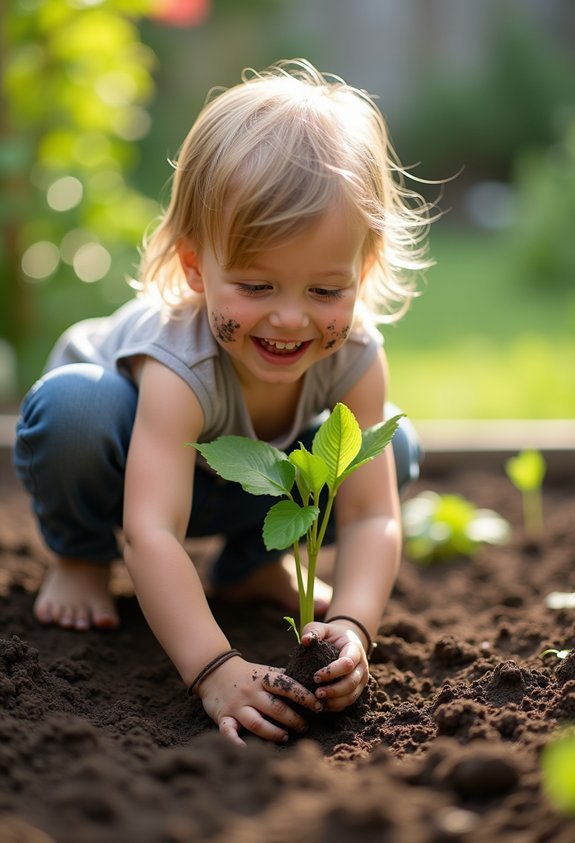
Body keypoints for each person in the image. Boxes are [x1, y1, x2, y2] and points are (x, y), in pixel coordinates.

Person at [13, 59, 434, 747]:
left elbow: (372, 515)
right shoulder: (180, 361)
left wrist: (355, 625)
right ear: (194, 268)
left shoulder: (356, 354)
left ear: (361, 271)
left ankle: (250, 566)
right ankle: (78, 555)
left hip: (238, 480)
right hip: (121, 469)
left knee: (392, 446)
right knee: (74, 412)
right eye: (256, 287)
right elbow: (151, 529)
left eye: (325, 291)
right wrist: (214, 668)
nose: (291, 319)